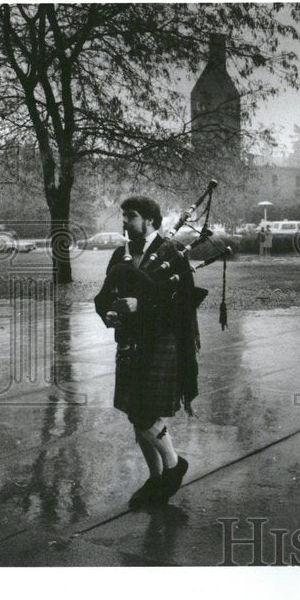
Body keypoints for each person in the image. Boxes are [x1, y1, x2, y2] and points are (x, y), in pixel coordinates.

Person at [94, 196, 198, 508]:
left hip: (160, 340)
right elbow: (105, 295)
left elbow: (184, 301)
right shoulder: (119, 254)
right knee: (135, 413)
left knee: (143, 412)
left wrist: (143, 304)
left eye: (131, 216)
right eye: (124, 216)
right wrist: (109, 313)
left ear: (150, 220)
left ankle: (173, 466)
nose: (125, 221)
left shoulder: (171, 253)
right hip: (129, 340)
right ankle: (156, 480)